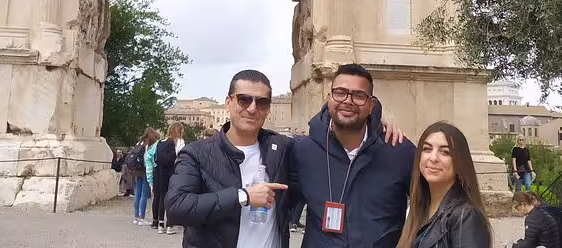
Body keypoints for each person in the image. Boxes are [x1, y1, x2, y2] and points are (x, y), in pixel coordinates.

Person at [167, 68, 404, 248]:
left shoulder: (282, 148)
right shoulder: (197, 153)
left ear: (268, 108)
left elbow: (335, 130)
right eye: (244, 99)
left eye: (261, 102)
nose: (252, 108)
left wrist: (375, 121)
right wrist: (244, 196)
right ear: (229, 102)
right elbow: (176, 208)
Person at [291, 64, 415, 248]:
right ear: (329, 98)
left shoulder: (400, 151)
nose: (348, 101)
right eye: (340, 92)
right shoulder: (302, 151)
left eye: (358, 96)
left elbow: (432, 205)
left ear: (371, 105)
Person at [397, 122, 492, 248]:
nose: (433, 158)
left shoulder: (466, 216)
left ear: (460, 162)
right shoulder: (418, 210)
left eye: (445, 152)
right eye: (427, 149)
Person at [148, 123, 183, 234]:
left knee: (160, 196)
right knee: (171, 198)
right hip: (171, 172)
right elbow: (180, 157)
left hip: (159, 171)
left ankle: (160, 223)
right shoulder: (179, 141)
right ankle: (170, 225)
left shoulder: (161, 141)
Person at [132, 128, 160, 225]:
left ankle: (136, 217)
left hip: (137, 170)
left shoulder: (139, 142)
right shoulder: (149, 145)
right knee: (144, 194)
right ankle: (142, 218)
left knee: (137, 194)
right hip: (145, 170)